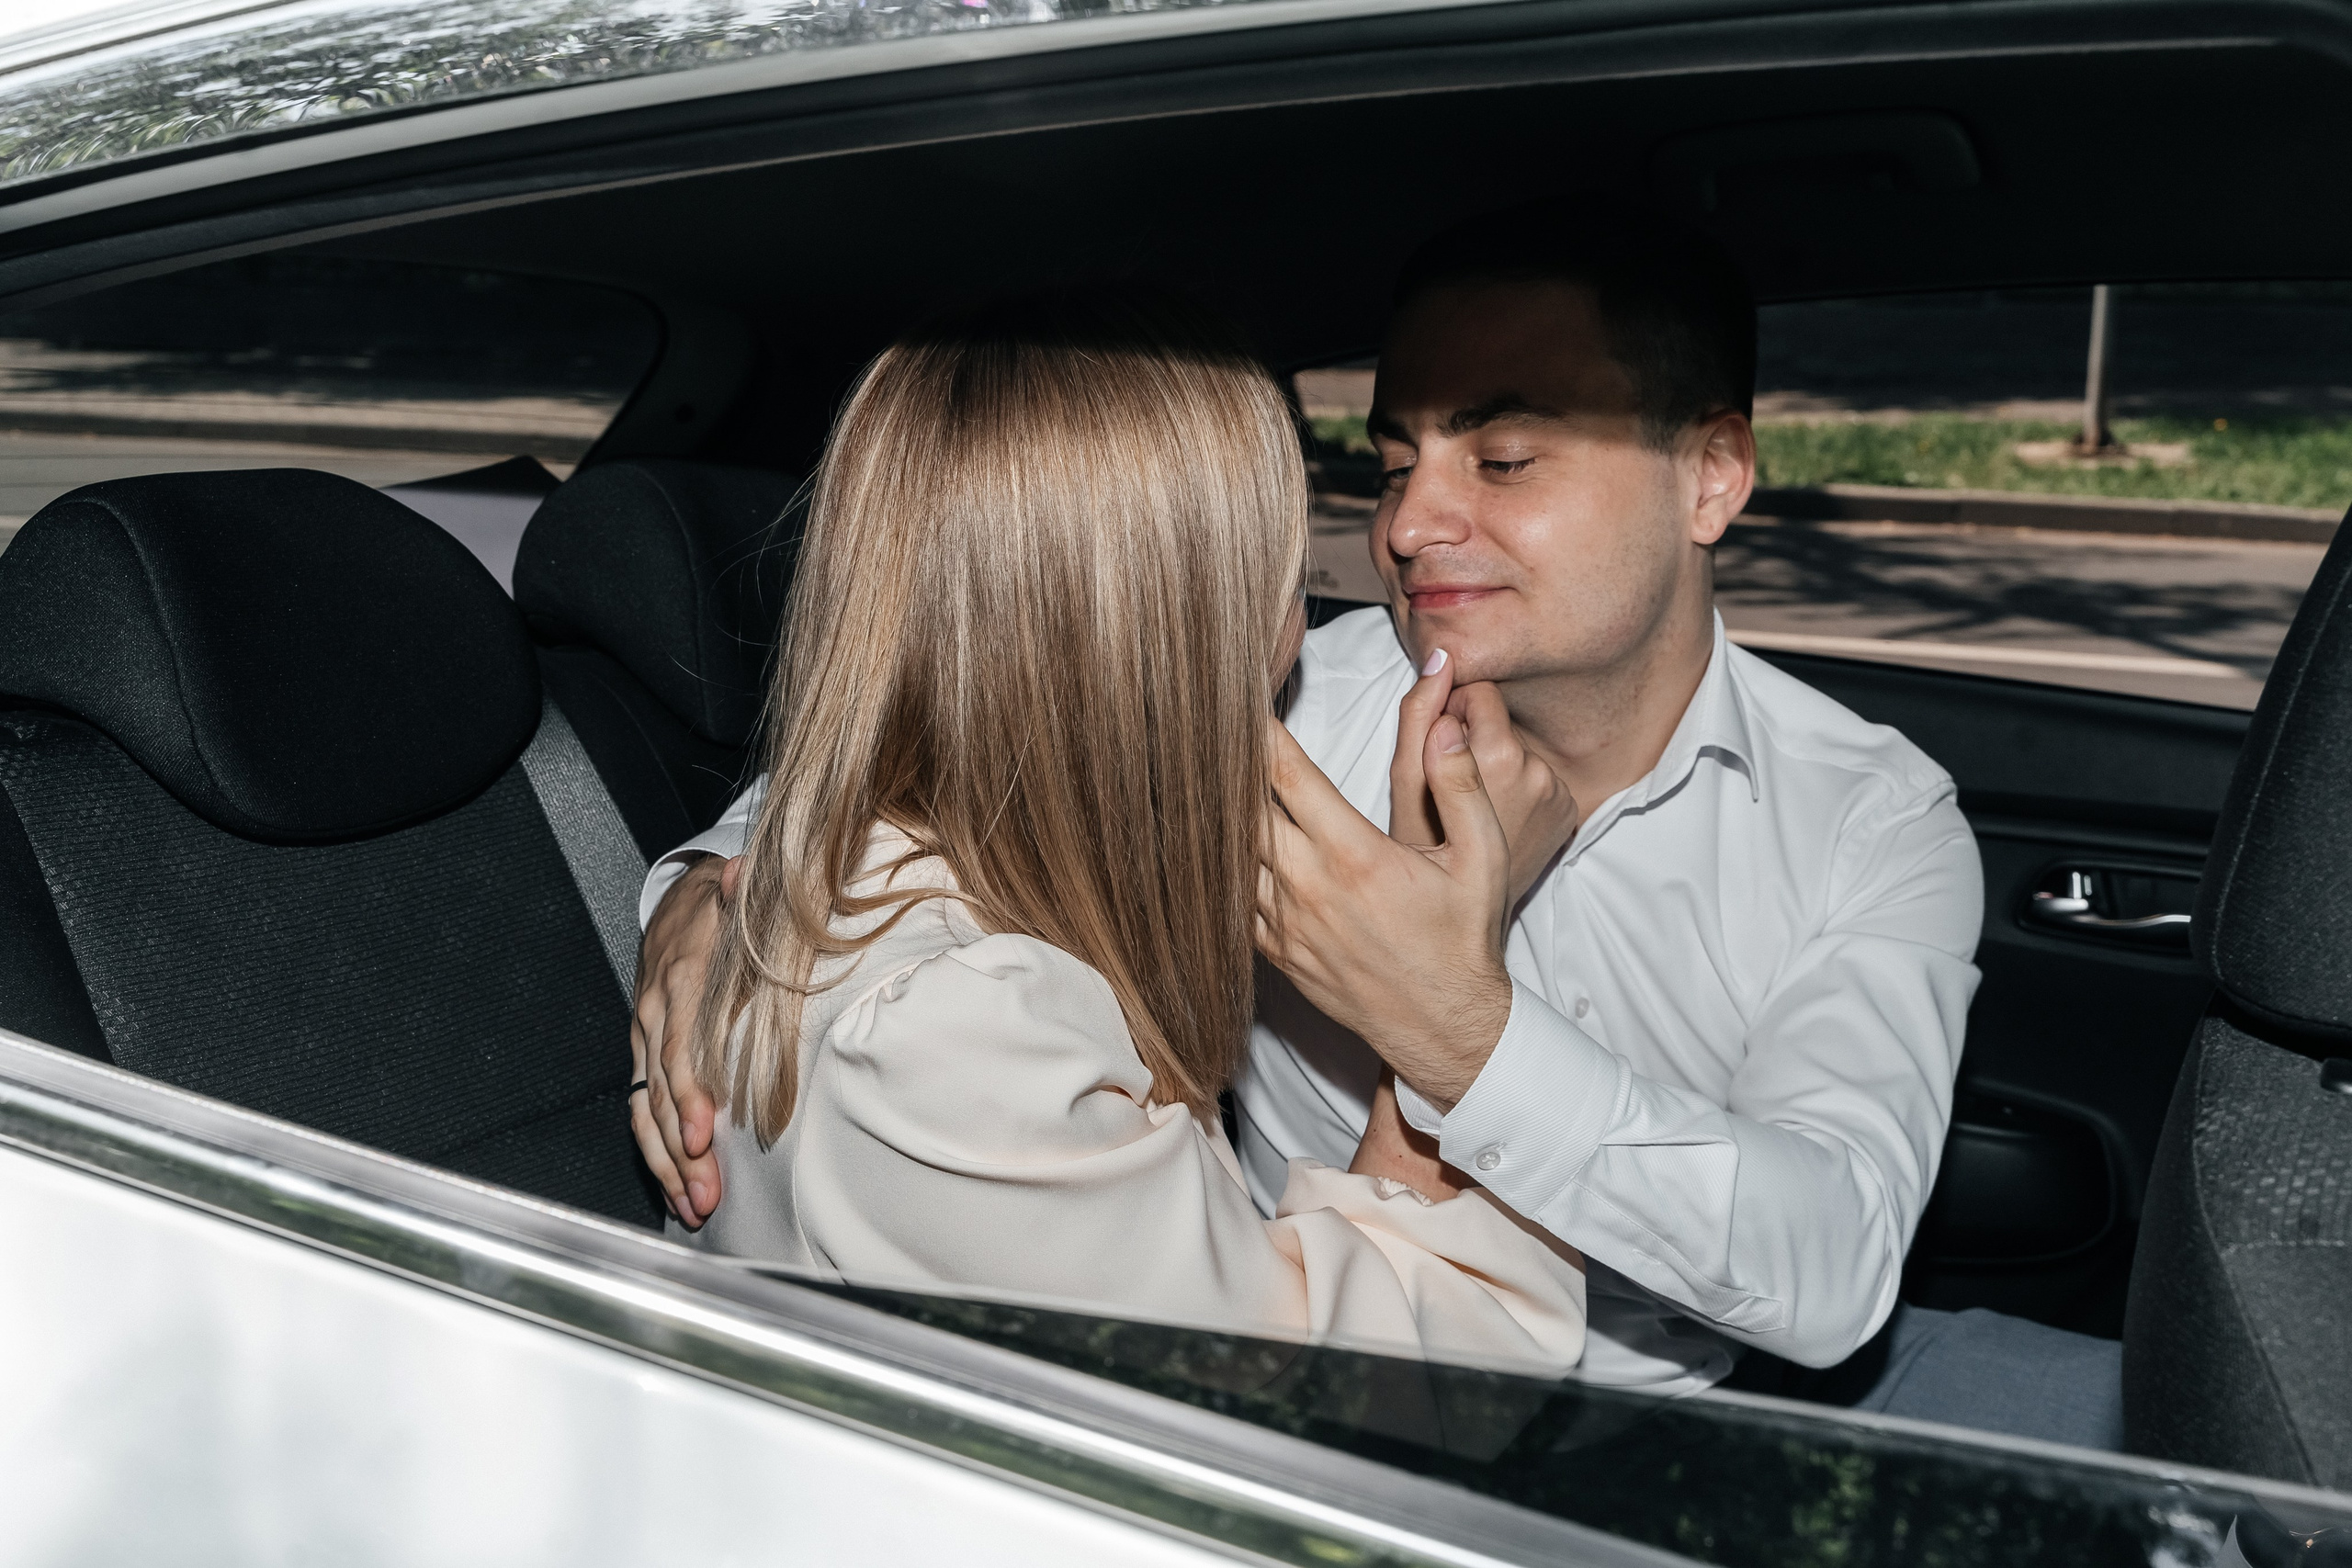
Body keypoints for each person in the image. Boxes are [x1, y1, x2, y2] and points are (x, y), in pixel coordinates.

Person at [636, 205, 2127, 1449]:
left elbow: (1833, 1264)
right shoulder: (1262, 700)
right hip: (1318, 1382)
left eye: (1503, 457)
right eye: (1393, 459)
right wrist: (720, 879)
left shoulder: (1869, 815)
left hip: (1695, 1408)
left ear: (1711, 474)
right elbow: (977, 737)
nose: (1407, 526)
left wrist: (1461, 1031)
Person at [643, 289, 1589, 1373]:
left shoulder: (880, 879)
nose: (1301, 633)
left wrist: (692, 884)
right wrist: (1442, 1000)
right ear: (1175, 636)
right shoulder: (954, 1039)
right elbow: (1340, 1397)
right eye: (1290, 583)